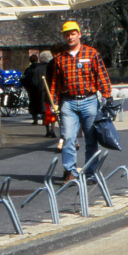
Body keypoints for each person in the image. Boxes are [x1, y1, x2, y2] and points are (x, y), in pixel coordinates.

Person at [50, 21, 112, 182]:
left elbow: (101, 75)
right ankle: (70, 172)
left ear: (79, 34)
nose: (69, 37)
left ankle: (91, 172)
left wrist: (106, 94)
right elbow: (56, 83)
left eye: (72, 33)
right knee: (68, 137)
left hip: (89, 101)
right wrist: (54, 101)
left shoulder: (91, 54)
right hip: (68, 103)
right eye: (66, 34)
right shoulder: (60, 59)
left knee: (91, 138)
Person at [21, 54, 46, 125]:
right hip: (41, 89)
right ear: (37, 59)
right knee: (42, 104)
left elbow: (24, 80)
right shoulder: (42, 68)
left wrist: (27, 87)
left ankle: (35, 120)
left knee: (33, 104)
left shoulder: (28, 70)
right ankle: (44, 119)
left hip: (31, 90)